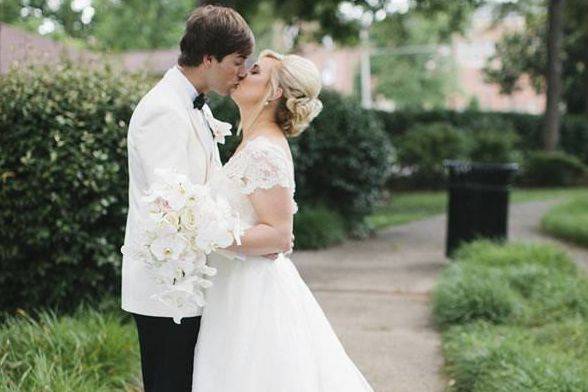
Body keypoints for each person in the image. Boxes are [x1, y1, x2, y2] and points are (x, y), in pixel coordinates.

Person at [191, 49, 374, 391]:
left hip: (252, 294)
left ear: (274, 93)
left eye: (256, 71)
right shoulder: (252, 143)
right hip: (232, 286)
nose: (244, 73)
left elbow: (278, 235)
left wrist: (208, 233)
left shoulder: (265, 152)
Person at [120, 6, 257, 391]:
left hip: (192, 285)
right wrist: (241, 241)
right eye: (237, 61)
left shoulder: (194, 105)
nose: (243, 72)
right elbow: (172, 209)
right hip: (167, 288)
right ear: (209, 58)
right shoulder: (163, 110)